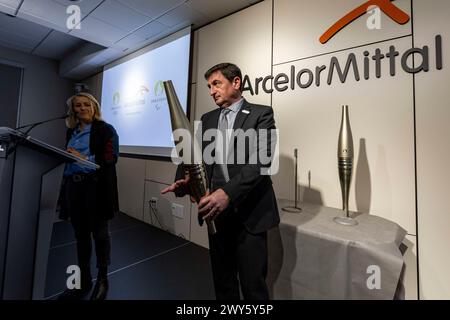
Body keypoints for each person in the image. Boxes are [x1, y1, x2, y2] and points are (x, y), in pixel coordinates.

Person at [162, 63, 279, 300]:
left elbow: (262, 162)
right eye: (208, 86)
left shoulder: (261, 114)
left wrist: (227, 193)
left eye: (216, 83)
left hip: (250, 215)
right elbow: (192, 154)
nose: (211, 91)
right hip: (216, 215)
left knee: (253, 286)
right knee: (223, 282)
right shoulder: (207, 118)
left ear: (236, 82)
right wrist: (185, 181)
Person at [59, 92, 119, 300]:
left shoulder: (107, 130)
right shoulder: (71, 132)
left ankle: (103, 280)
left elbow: (111, 158)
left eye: (86, 104)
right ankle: (83, 280)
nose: (82, 108)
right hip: (73, 188)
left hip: (96, 189)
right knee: (80, 236)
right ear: (73, 110)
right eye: (78, 106)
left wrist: (82, 158)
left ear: (94, 107)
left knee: (100, 235)